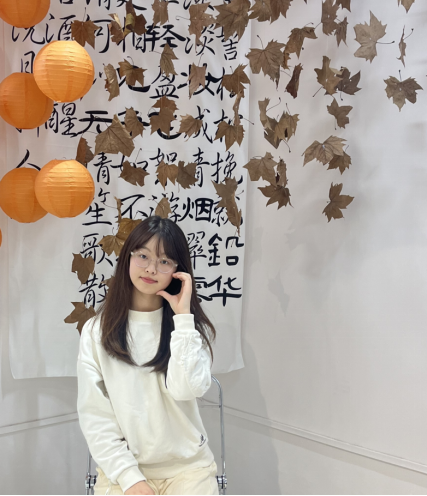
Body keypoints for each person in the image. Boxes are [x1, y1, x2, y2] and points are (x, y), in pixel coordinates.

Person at [77, 215, 219, 495]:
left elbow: (186, 389)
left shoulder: (189, 328)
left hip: (189, 470)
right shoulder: (97, 330)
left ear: (178, 271)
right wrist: (130, 478)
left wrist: (183, 319)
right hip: (123, 470)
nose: (151, 269)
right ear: (128, 258)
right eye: (143, 256)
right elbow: (95, 414)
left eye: (164, 261)